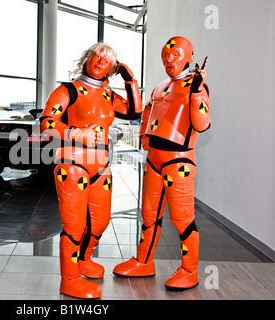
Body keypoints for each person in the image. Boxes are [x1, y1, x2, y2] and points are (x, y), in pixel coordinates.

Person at [40, 43, 142, 298]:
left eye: (106, 60)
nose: (99, 62)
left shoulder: (108, 95)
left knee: (100, 221)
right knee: (74, 226)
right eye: (96, 56)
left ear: (111, 68)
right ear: (87, 58)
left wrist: (130, 81)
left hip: (101, 166)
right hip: (71, 164)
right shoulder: (68, 90)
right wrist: (77, 133)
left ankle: (83, 259)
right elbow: (46, 123)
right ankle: (70, 278)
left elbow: (134, 111)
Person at [113, 36, 211, 290]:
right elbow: (147, 111)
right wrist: (145, 135)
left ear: (189, 57)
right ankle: (144, 261)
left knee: (182, 218)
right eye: (166, 55)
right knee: (149, 215)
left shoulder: (195, 86)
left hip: (179, 162)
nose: (169, 58)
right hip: (154, 160)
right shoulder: (159, 87)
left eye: (176, 54)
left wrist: (199, 91)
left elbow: (202, 124)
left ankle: (189, 270)